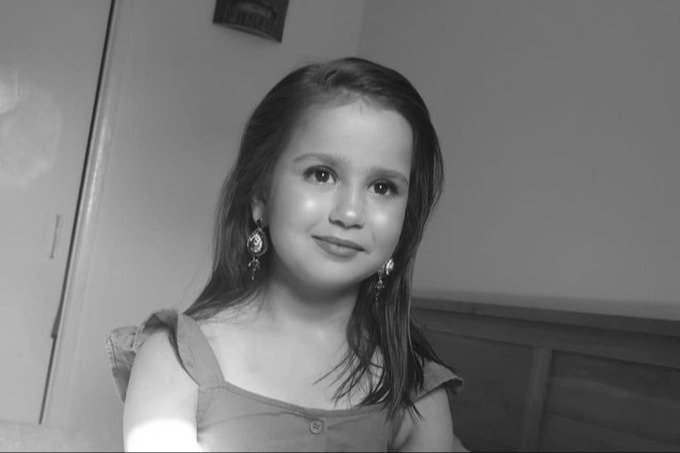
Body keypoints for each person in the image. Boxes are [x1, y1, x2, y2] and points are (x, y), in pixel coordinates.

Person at [107, 56, 466, 452]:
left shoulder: (415, 391)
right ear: (260, 196)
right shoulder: (175, 359)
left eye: (382, 187)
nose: (349, 214)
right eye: (321, 174)